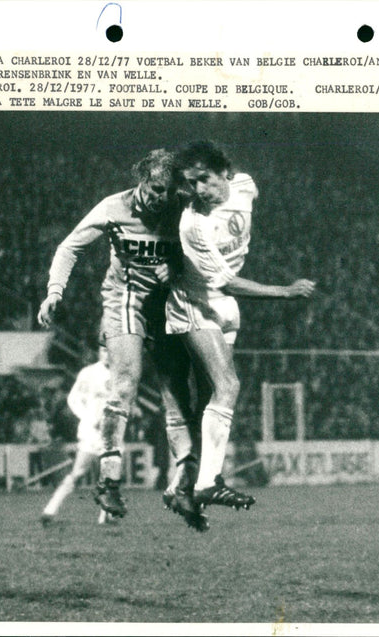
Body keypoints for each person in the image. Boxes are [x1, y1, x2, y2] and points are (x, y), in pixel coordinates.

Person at [38, 148, 194, 521]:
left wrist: (177, 268)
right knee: (125, 383)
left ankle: (182, 484)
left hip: (166, 304)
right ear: (141, 180)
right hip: (124, 298)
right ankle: (108, 483)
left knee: (177, 393)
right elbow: (69, 246)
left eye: (167, 191)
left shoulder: (186, 209)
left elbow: (207, 257)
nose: (160, 197)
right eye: (155, 188)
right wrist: (55, 291)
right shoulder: (113, 207)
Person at [163, 140, 316, 520]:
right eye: (191, 183)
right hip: (194, 302)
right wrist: (286, 291)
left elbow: (246, 195)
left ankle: (180, 487)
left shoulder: (244, 186)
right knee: (228, 385)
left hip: (225, 308)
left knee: (209, 401)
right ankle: (206, 483)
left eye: (204, 180)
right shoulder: (194, 223)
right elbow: (227, 283)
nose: (199, 189)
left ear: (225, 174)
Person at [41, 345, 117, 526]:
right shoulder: (89, 373)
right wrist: (90, 419)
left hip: (111, 433)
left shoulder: (121, 373)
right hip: (91, 433)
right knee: (78, 473)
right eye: (104, 350)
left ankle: (105, 516)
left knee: (109, 477)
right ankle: (50, 509)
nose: (107, 354)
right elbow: (73, 399)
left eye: (111, 350)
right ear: (99, 352)